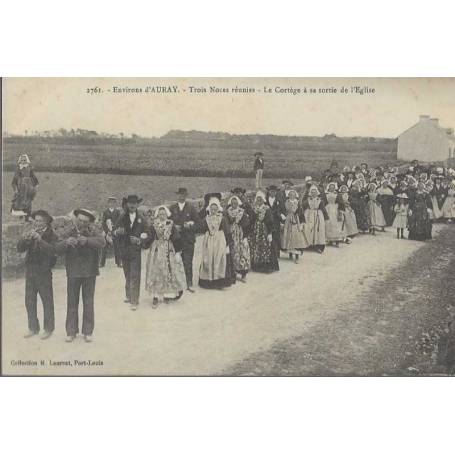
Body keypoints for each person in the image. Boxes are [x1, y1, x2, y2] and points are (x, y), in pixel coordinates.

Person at [55, 208, 105, 342]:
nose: (82, 223)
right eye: (80, 220)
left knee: (88, 302)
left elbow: (102, 243)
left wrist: (87, 241)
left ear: (89, 222)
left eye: (85, 222)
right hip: (73, 271)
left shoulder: (93, 230)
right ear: (76, 219)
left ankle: (88, 332)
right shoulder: (69, 231)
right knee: (72, 302)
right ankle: (71, 331)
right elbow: (56, 248)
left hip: (90, 272)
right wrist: (66, 243)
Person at [17, 210, 58, 340]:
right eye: (36, 220)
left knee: (47, 301)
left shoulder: (52, 234)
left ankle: (48, 329)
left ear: (46, 222)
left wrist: (40, 240)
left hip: (44, 272)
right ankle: (33, 328)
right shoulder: (31, 232)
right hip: (30, 271)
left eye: (40, 221)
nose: (37, 223)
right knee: (29, 301)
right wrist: (24, 238)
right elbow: (20, 248)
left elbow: (53, 252)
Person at [145, 205, 187, 307]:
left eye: (163, 214)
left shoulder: (170, 224)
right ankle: (155, 296)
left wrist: (178, 251)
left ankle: (167, 294)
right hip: (157, 250)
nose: (162, 216)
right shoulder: (154, 225)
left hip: (169, 249)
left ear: (167, 214)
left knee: (170, 270)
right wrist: (144, 241)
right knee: (156, 271)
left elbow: (176, 238)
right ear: (157, 215)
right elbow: (150, 236)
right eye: (160, 214)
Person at [114, 195, 149, 311]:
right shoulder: (122, 217)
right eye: (130, 203)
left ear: (137, 204)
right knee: (127, 274)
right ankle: (129, 295)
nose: (132, 205)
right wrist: (117, 232)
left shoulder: (142, 218)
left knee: (135, 275)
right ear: (127, 204)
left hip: (135, 251)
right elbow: (114, 230)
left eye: (134, 203)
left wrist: (139, 240)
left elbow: (148, 233)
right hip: (124, 251)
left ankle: (134, 300)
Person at [197, 194, 235, 289]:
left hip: (220, 241)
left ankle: (220, 281)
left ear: (218, 209)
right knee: (208, 259)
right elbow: (200, 227)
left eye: (215, 209)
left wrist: (228, 244)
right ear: (209, 209)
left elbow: (227, 232)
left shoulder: (222, 219)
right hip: (209, 241)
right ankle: (209, 281)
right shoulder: (206, 219)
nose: (213, 211)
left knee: (220, 259)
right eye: (212, 209)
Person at [169, 188, 199, 292]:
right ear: (177, 196)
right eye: (179, 194)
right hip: (176, 240)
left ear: (186, 196)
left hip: (188, 239)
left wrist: (190, 226)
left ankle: (189, 283)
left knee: (188, 261)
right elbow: (167, 222)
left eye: (183, 195)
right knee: (175, 262)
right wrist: (173, 227)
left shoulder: (191, 208)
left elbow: (198, 223)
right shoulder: (172, 208)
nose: (181, 196)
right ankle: (177, 283)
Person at [249, 191, 279, 272]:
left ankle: (266, 267)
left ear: (263, 200)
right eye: (258, 199)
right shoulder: (254, 208)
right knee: (256, 247)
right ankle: (256, 266)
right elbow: (251, 220)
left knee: (266, 247)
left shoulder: (267, 209)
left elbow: (270, 221)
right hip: (256, 230)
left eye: (260, 199)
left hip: (264, 229)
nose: (259, 201)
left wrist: (270, 233)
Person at [225, 195, 251, 282]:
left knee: (242, 253)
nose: (234, 204)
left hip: (240, 234)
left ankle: (243, 273)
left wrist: (245, 236)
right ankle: (233, 273)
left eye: (235, 203)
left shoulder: (242, 212)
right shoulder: (227, 212)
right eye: (232, 203)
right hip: (231, 235)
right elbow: (225, 224)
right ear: (230, 203)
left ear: (238, 203)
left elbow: (247, 225)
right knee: (232, 253)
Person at [280, 189, 308, 263]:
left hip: (296, 221)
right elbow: (282, 211)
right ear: (288, 196)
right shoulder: (285, 203)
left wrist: (302, 223)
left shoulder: (298, 203)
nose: (291, 196)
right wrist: (282, 219)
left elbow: (301, 213)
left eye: (293, 194)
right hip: (288, 221)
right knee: (288, 236)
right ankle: (290, 254)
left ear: (295, 195)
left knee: (296, 238)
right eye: (290, 194)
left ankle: (296, 256)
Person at [301, 185, 329, 253]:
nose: (313, 194)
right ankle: (308, 244)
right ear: (310, 193)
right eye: (312, 192)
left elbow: (323, 209)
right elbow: (302, 206)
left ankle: (319, 246)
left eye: (315, 192)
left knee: (318, 230)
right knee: (308, 229)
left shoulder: (320, 200)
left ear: (317, 193)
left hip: (318, 215)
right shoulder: (307, 200)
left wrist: (326, 217)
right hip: (309, 215)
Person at [11, 154, 39, 219]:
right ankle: (21, 217)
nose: (23, 161)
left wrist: (36, 185)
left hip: (29, 188)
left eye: (24, 160)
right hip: (21, 188)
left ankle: (27, 217)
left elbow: (33, 177)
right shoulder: (18, 169)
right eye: (22, 160)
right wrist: (15, 189)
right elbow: (15, 180)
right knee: (20, 202)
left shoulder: (29, 169)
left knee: (28, 202)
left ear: (27, 161)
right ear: (20, 161)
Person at [99, 196, 122, 268]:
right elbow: (103, 223)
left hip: (115, 232)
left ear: (115, 203)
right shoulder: (105, 212)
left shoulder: (117, 212)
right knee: (104, 247)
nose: (112, 204)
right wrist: (107, 231)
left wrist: (114, 231)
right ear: (108, 203)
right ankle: (102, 263)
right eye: (110, 202)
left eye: (113, 202)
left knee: (117, 247)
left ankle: (118, 263)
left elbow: (119, 222)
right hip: (107, 232)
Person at [324, 182, 345, 247]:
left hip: (335, 209)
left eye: (333, 187)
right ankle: (329, 239)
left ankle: (337, 240)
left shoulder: (338, 194)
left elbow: (341, 203)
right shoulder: (326, 194)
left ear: (335, 187)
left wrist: (340, 211)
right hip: (328, 209)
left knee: (336, 224)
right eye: (330, 187)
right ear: (328, 187)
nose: (332, 188)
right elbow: (324, 202)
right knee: (328, 224)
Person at [265, 185, 284, 259]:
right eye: (271, 191)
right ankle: (268, 253)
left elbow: (282, 210)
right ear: (269, 192)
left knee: (276, 236)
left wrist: (282, 220)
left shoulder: (279, 200)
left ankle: (277, 253)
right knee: (268, 235)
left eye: (274, 192)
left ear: (276, 193)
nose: (272, 193)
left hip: (276, 220)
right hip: (268, 221)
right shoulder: (266, 200)